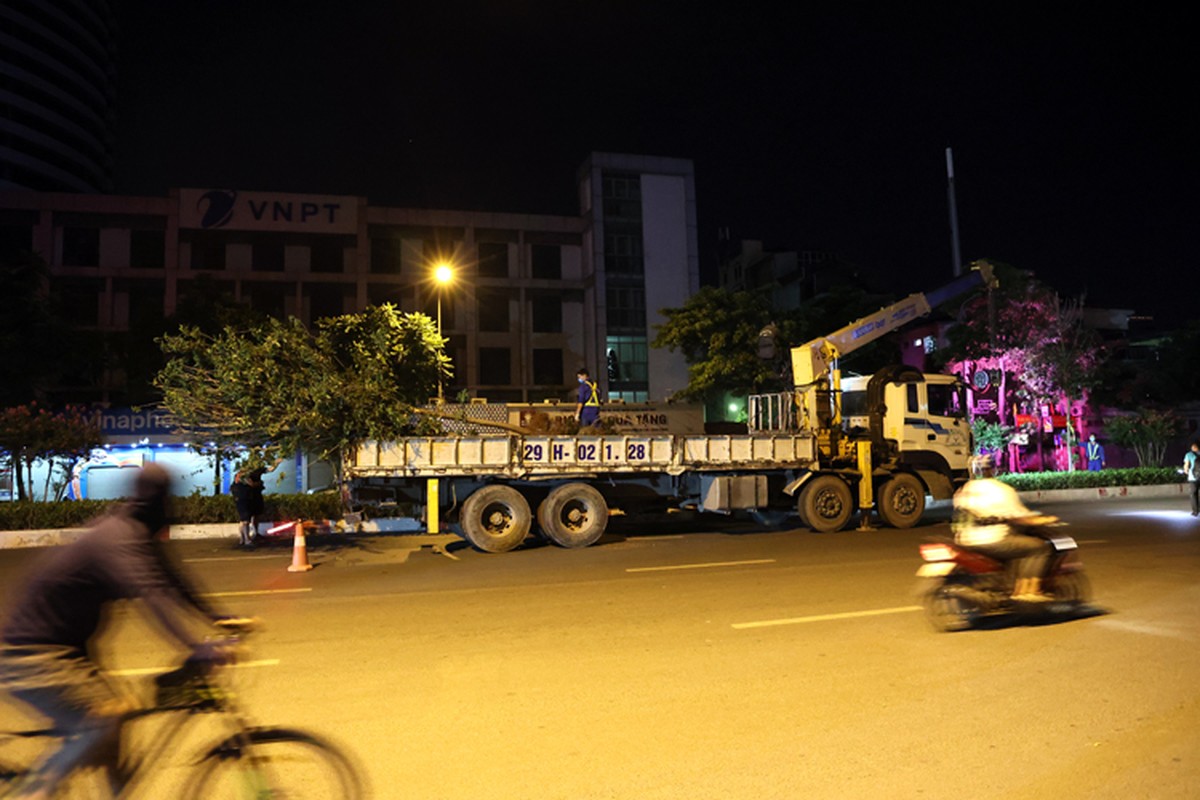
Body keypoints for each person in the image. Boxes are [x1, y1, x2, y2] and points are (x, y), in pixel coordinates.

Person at [0, 464, 236, 799]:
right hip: (31, 654)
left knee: (114, 723)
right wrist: (195, 646)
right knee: (105, 717)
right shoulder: (118, 538)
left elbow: (174, 582)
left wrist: (219, 618)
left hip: (66, 651)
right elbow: (152, 595)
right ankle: (33, 794)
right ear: (158, 501)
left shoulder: (134, 531)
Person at [952, 454, 1055, 602]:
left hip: (965, 539)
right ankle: (1027, 592)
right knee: (1039, 548)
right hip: (993, 539)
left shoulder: (967, 488)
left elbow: (959, 509)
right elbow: (1021, 517)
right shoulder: (1002, 490)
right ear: (994, 470)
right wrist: (1044, 519)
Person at [230, 467, 266, 548]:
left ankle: (243, 539)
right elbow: (252, 484)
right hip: (243, 502)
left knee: (243, 521)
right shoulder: (241, 482)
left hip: (243, 502)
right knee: (245, 521)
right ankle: (246, 540)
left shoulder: (237, 484)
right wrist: (258, 483)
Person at [1184, 441, 1200, 517]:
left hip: (1193, 477)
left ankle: (1195, 511)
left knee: (1193, 494)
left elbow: (1186, 465)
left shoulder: (1189, 455)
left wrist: (1186, 470)